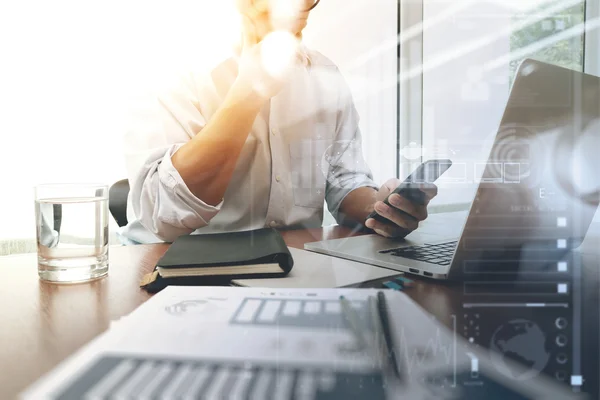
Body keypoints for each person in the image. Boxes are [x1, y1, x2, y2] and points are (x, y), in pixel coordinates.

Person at [120, 0, 437, 244]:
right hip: (171, 274)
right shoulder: (171, 66)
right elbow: (164, 214)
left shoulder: (325, 76)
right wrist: (248, 94)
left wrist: (380, 207)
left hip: (292, 267)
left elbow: (346, 180)